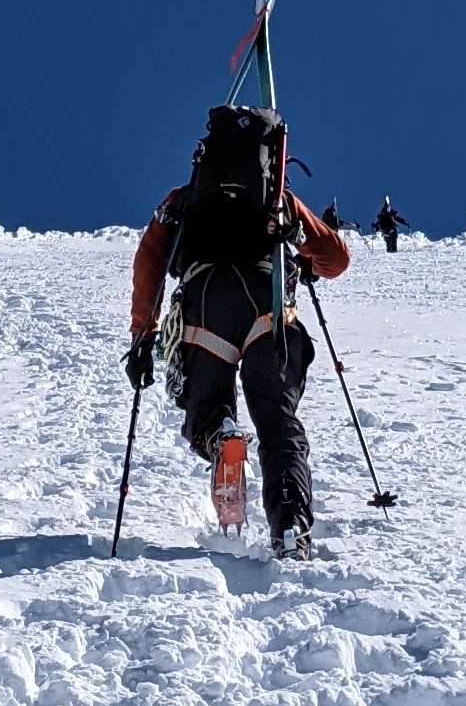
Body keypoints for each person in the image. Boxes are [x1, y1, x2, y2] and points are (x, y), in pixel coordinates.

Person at [126, 127, 351, 550]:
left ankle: (219, 434)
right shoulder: (277, 201)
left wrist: (143, 335)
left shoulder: (183, 199)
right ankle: (289, 515)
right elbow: (337, 260)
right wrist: (299, 243)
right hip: (268, 307)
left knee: (205, 405)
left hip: (205, 307)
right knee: (276, 416)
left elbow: (150, 261)